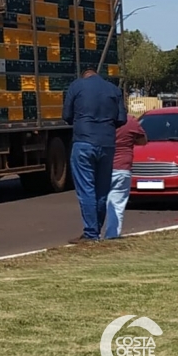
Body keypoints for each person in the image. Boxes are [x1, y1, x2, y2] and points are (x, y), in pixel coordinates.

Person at [62, 69, 127, 243]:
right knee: (102, 190)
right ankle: (95, 230)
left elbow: (66, 115)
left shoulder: (76, 86)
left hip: (84, 141)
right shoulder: (113, 89)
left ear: (83, 75)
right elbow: (122, 119)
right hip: (107, 143)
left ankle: (91, 233)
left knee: (86, 189)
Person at [105, 115, 148, 239]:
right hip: (122, 167)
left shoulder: (101, 120)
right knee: (117, 203)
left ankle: (92, 232)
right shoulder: (130, 121)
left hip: (102, 167)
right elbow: (143, 141)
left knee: (97, 201)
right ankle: (112, 234)